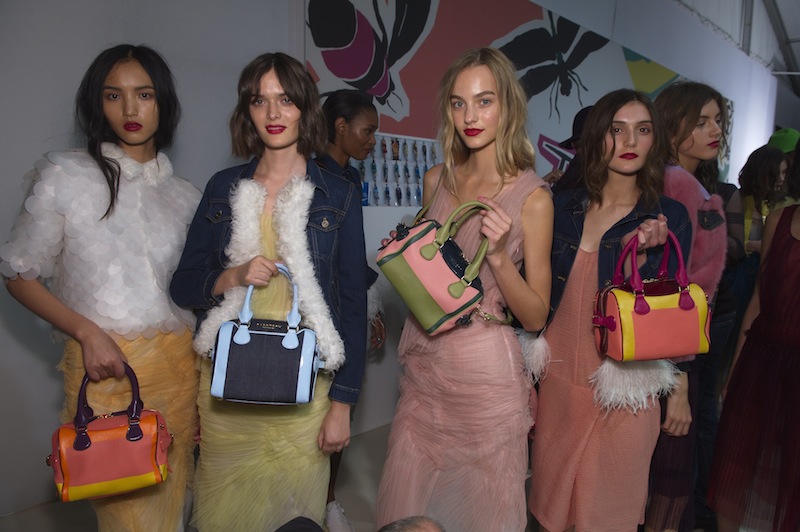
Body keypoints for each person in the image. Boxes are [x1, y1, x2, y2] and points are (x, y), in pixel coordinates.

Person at [0, 45, 201, 531]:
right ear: (97, 103)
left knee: (177, 507)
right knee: (128, 517)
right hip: (106, 374)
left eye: (144, 94)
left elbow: (196, 290)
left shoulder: (187, 195)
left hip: (181, 370)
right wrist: (87, 333)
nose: (130, 109)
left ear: (164, 102)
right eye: (114, 95)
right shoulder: (65, 176)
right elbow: (18, 274)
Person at [169, 52, 368, 531]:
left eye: (286, 100)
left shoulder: (338, 192)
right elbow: (183, 283)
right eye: (260, 100)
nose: (274, 113)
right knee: (224, 513)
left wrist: (343, 405)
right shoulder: (222, 188)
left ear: (305, 108)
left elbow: (352, 305)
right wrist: (233, 276)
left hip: (306, 387)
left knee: (294, 513)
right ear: (246, 110)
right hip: (229, 386)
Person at [374, 47, 553, 530]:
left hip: (484, 375)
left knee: (480, 513)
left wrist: (498, 256)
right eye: (459, 103)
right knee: (407, 507)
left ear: (508, 106)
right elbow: (429, 278)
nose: (470, 116)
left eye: (484, 101)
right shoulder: (436, 180)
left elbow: (536, 316)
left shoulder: (533, 198)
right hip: (424, 367)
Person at [528, 89, 692, 531]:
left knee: (608, 514)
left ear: (655, 140)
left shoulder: (670, 217)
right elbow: (534, 297)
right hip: (559, 383)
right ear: (598, 136)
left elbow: (672, 316)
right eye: (617, 129)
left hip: (626, 392)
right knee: (550, 510)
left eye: (643, 129)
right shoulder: (561, 206)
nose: (630, 141)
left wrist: (643, 259)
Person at [645, 80, 729, 532]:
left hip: (669, 351)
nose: (714, 130)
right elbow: (672, 285)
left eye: (717, 120)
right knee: (670, 474)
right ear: (673, 124)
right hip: (673, 355)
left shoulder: (679, 181)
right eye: (700, 122)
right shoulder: (679, 184)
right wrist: (678, 375)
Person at [316, 88, 384, 532]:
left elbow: (352, 256)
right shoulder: (310, 176)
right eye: (367, 130)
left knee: (340, 415)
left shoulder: (352, 179)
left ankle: (328, 501)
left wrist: (369, 308)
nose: (372, 140)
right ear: (340, 127)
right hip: (314, 318)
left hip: (346, 314)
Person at [708, 204, 800, 532]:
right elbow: (758, 298)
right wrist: (734, 373)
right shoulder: (779, 219)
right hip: (761, 361)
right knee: (736, 463)